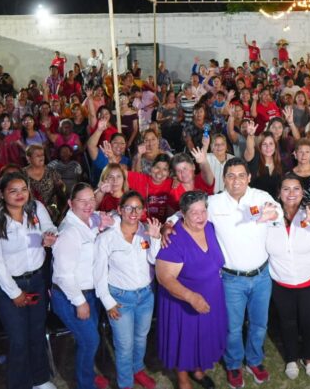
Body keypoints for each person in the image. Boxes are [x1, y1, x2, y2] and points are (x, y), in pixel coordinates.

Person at [173, 158, 281, 388]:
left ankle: (254, 360)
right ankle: (233, 365)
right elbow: (187, 213)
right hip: (231, 279)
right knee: (232, 327)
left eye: (241, 175)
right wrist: (166, 226)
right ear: (224, 178)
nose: (236, 180)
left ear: (249, 177)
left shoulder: (261, 197)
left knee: (259, 323)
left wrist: (272, 214)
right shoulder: (214, 202)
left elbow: (278, 213)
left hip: (262, 276)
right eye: (231, 176)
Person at [0, 172, 58, 389]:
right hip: (9, 286)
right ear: (2, 194)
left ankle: (40, 380)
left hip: (36, 280)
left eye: (23, 189)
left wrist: (49, 236)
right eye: (13, 190)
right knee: (18, 339)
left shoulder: (36, 209)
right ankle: (19, 384)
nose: (19, 194)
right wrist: (14, 292)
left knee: (36, 332)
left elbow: (48, 226)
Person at [156, 190, 227, 389]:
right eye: (194, 212)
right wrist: (191, 297)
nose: (200, 216)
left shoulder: (211, 228)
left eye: (203, 211)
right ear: (183, 213)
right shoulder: (174, 239)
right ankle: (183, 380)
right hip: (182, 303)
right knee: (183, 341)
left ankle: (197, 369)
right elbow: (164, 277)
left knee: (203, 337)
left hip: (212, 295)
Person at [94, 191, 161, 389]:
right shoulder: (106, 238)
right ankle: (125, 383)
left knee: (141, 338)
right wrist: (108, 302)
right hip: (120, 298)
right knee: (124, 345)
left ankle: (138, 369)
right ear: (119, 210)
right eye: (128, 207)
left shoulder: (145, 231)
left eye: (138, 208)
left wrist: (155, 238)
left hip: (146, 295)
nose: (133, 212)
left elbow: (155, 261)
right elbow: (99, 274)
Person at [51, 183, 113, 389]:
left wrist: (105, 224)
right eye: (82, 201)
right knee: (90, 341)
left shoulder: (90, 220)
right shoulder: (69, 232)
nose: (88, 205)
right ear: (70, 203)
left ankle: (87, 373)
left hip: (91, 292)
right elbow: (63, 275)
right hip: (72, 297)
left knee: (89, 339)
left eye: (91, 200)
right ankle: (86, 384)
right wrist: (79, 302)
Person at [266, 174, 310, 380]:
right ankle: (291, 358)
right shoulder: (269, 215)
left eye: (296, 189)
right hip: (282, 282)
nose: (291, 193)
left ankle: (309, 358)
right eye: (286, 189)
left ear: (303, 192)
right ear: (279, 193)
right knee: (287, 321)